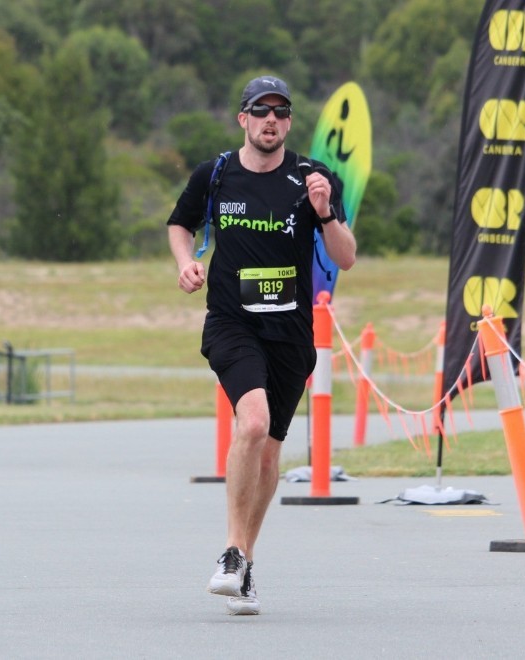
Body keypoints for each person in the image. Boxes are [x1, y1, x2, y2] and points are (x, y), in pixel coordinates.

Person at [167, 75, 356, 615]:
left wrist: (324, 211)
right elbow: (180, 225)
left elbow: (345, 257)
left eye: (280, 111)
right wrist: (185, 262)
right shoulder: (216, 173)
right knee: (251, 423)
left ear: (289, 122)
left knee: (270, 451)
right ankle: (231, 551)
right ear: (243, 119)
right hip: (233, 323)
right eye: (260, 110)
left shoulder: (313, 178)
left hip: (290, 332)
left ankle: (245, 563)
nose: (270, 119)